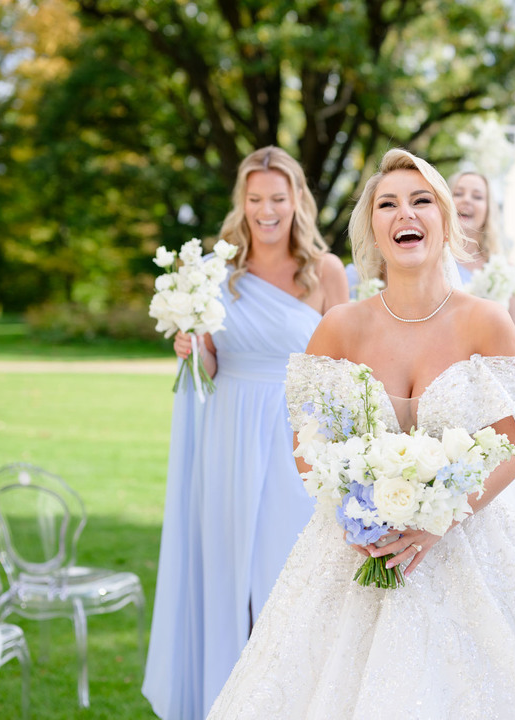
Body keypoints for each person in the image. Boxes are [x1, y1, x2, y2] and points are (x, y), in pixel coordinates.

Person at [206, 148, 515, 719]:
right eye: (388, 204)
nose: (406, 213)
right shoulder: (339, 328)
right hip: (355, 550)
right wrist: (354, 514)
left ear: (446, 221)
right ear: (373, 228)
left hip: (465, 543)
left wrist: (437, 522)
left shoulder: (486, 321)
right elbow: (309, 447)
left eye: (421, 200)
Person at [143, 146, 349, 720]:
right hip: (230, 436)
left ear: (297, 201)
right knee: (234, 574)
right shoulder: (219, 271)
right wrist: (193, 346)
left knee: (291, 573)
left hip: (299, 436)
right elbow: (210, 370)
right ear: (244, 202)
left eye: (277, 199)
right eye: (255, 199)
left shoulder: (326, 271)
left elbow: (344, 367)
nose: (266, 210)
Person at [450, 170, 515, 336]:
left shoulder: (507, 273)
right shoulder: (432, 263)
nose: (466, 199)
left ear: (488, 210)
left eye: (477, 196)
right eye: (458, 193)